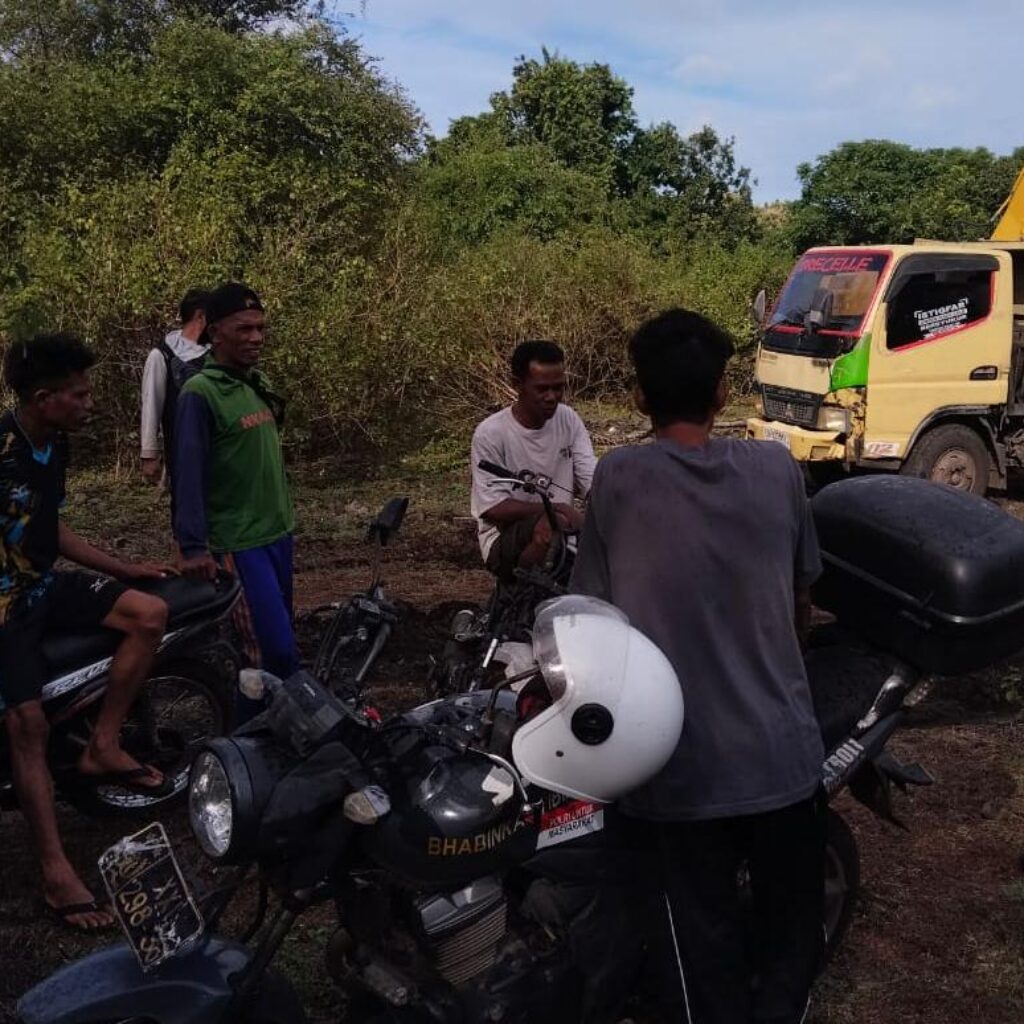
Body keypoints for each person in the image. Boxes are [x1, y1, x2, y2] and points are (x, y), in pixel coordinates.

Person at [570, 308, 825, 1024]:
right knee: (787, 937)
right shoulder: (777, 468)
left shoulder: (619, 480)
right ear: (723, 394)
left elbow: (592, 618)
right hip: (782, 758)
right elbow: (803, 599)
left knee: (695, 951)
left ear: (639, 398)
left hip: (674, 773)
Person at [1, 334, 172, 932]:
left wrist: (121, 568)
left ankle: (102, 744)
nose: (90, 402)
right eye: (79, 394)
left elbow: (48, 527)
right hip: (3, 606)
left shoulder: (57, 444)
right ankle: (54, 869)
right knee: (26, 726)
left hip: (44, 585)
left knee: (148, 614)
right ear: (44, 398)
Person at [173, 283, 298, 714]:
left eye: (261, 328)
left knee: (282, 652)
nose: (256, 338)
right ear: (215, 331)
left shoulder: (255, 384)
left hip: (277, 534)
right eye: (244, 328)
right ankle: (244, 752)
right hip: (238, 544)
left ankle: (276, 739)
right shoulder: (200, 394)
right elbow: (186, 474)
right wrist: (193, 545)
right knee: (267, 654)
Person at [470, 340, 596, 582]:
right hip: (505, 542)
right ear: (517, 385)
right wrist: (556, 508)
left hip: (563, 530)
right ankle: (522, 591)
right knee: (552, 522)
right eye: (542, 389)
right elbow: (493, 508)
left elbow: (590, 479)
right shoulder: (491, 433)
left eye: (558, 388)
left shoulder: (568, 419)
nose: (552, 397)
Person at [140, 287, 210, 488]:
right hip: (181, 450)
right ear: (201, 316)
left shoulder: (216, 354)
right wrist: (149, 454)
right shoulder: (162, 355)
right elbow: (151, 404)